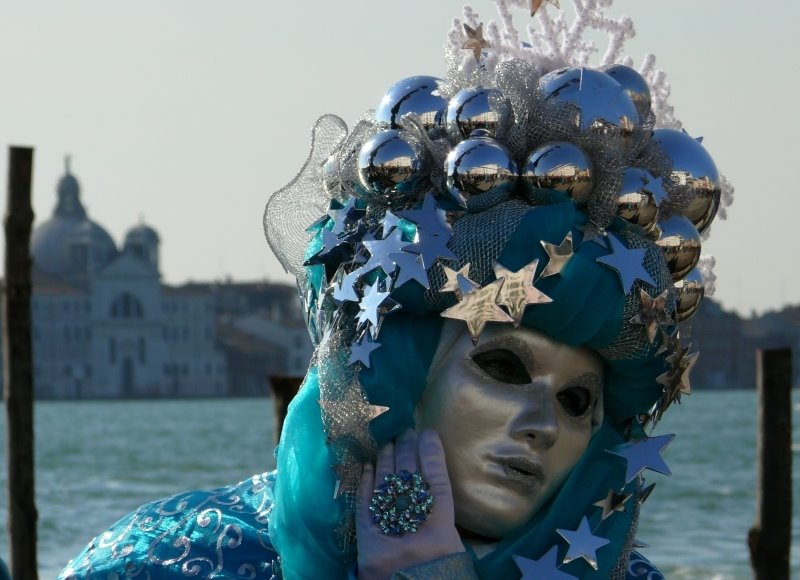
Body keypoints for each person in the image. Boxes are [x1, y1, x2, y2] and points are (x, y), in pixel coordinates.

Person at [59, 1, 729, 578]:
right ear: (399, 376)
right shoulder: (177, 561)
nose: (542, 427)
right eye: (501, 365)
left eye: (578, 401)